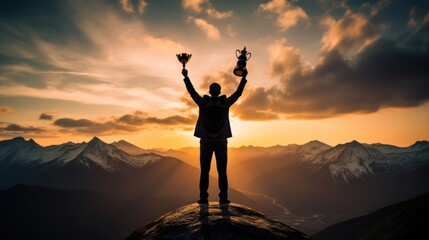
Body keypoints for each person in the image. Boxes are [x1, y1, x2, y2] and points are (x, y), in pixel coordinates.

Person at [182, 68, 247, 205]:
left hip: (205, 140)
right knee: (222, 171)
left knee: (204, 171)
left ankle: (203, 198)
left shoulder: (203, 103)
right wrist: (243, 78)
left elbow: (192, 92)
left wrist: (186, 77)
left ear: (210, 92)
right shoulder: (225, 103)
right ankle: (223, 199)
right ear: (220, 91)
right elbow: (238, 93)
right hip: (221, 141)